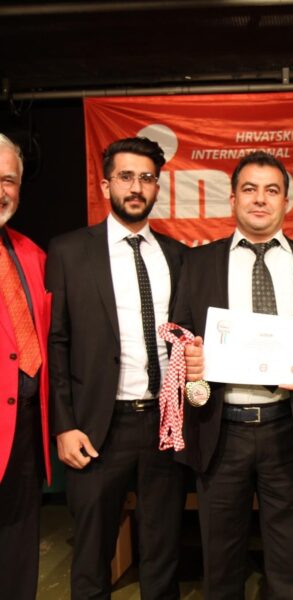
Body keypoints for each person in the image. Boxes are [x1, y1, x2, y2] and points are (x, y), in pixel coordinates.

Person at [174, 150, 293, 598]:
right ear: (232, 199)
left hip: (289, 428)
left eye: (272, 190)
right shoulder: (197, 262)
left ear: (287, 201)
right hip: (220, 429)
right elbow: (178, 336)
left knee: (291, 567)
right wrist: (187, 361)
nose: (260, 199)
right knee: (221, 566)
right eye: (249, 189)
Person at [46, 137, 186, 599]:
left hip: (165, 425)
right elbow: (56, 344)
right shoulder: (69, 252)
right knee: (91, 556)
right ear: (106, 185)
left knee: (163, 552)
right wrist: (64, 425)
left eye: (146, 178)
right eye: (125, 177)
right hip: (96, 428)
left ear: (158, 187)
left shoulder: (177, 255)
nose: (136, 187)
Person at [0, 134, 52, 599]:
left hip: (24, 428)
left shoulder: (31, 254)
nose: (0, 191)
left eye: (8, 180)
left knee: (18, 547)